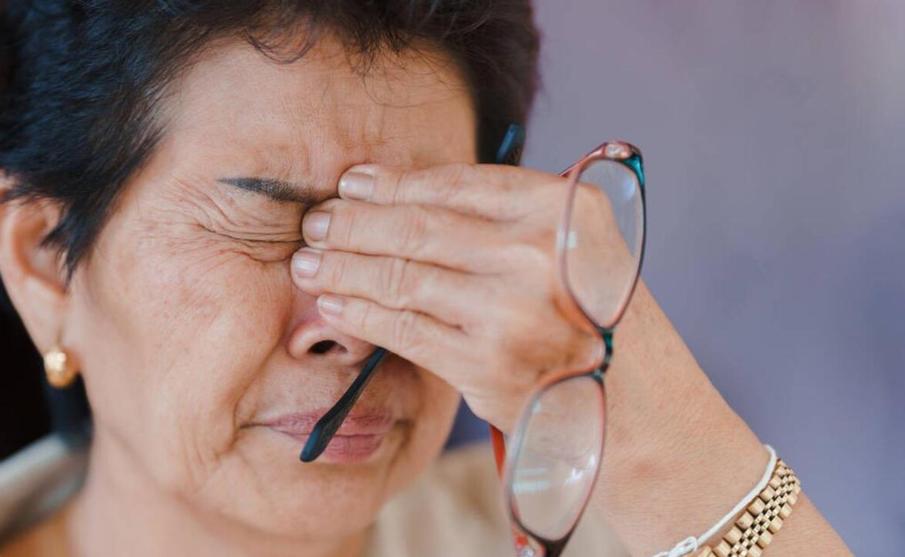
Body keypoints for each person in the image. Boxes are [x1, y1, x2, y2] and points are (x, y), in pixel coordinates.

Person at [0, 2, 851, 556]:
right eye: (274, 228)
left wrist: (673, 463)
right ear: (44, 260)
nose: (359, 323)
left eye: (424, 235)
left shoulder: (610, 532)